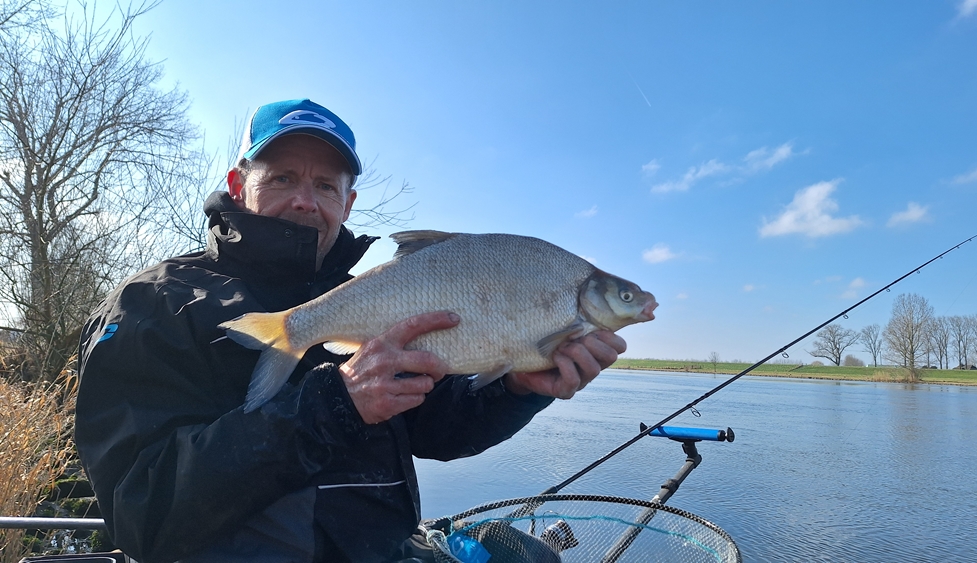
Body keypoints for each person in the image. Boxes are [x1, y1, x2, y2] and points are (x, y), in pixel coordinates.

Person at [75, 99, 627, 563]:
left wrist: (516, 390)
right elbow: (138, 507)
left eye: (326, 185)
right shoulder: (155, 301)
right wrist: (333, 404)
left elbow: (438, 430)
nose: (305, 201)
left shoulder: (369, 296)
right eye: (283, 178)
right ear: (238, 182)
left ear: (348, 202)